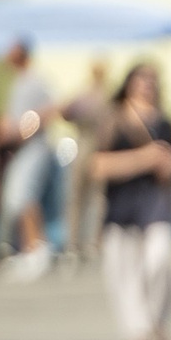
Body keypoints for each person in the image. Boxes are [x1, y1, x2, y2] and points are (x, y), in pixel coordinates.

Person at [93, 63, 171, 340]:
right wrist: (145, 158)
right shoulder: (115, 119)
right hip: (122, 200)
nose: (148, 85)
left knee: (160, 257)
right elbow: (98, 165)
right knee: (124, 269)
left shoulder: (165, 122)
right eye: (142, 78)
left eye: (153, 79)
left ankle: (157, 318)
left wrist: (169, 166)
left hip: (154, 199)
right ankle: (136, 328)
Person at [0, 39, 62, 278]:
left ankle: (37, 247)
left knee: (25, 196)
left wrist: (24, 130)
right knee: (16, 199)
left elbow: (49, 109)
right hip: (21, 150)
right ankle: (28, 247)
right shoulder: (18, 82)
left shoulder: (34, 80)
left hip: (34, 148)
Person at [62, 59, 114, 262]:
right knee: (77, 196)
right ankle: (74, 242)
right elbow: (66, 111)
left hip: (98, 146)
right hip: (84, 143)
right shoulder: (87, 94)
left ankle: (93, 241)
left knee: (97, 197)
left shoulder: (105, 95)